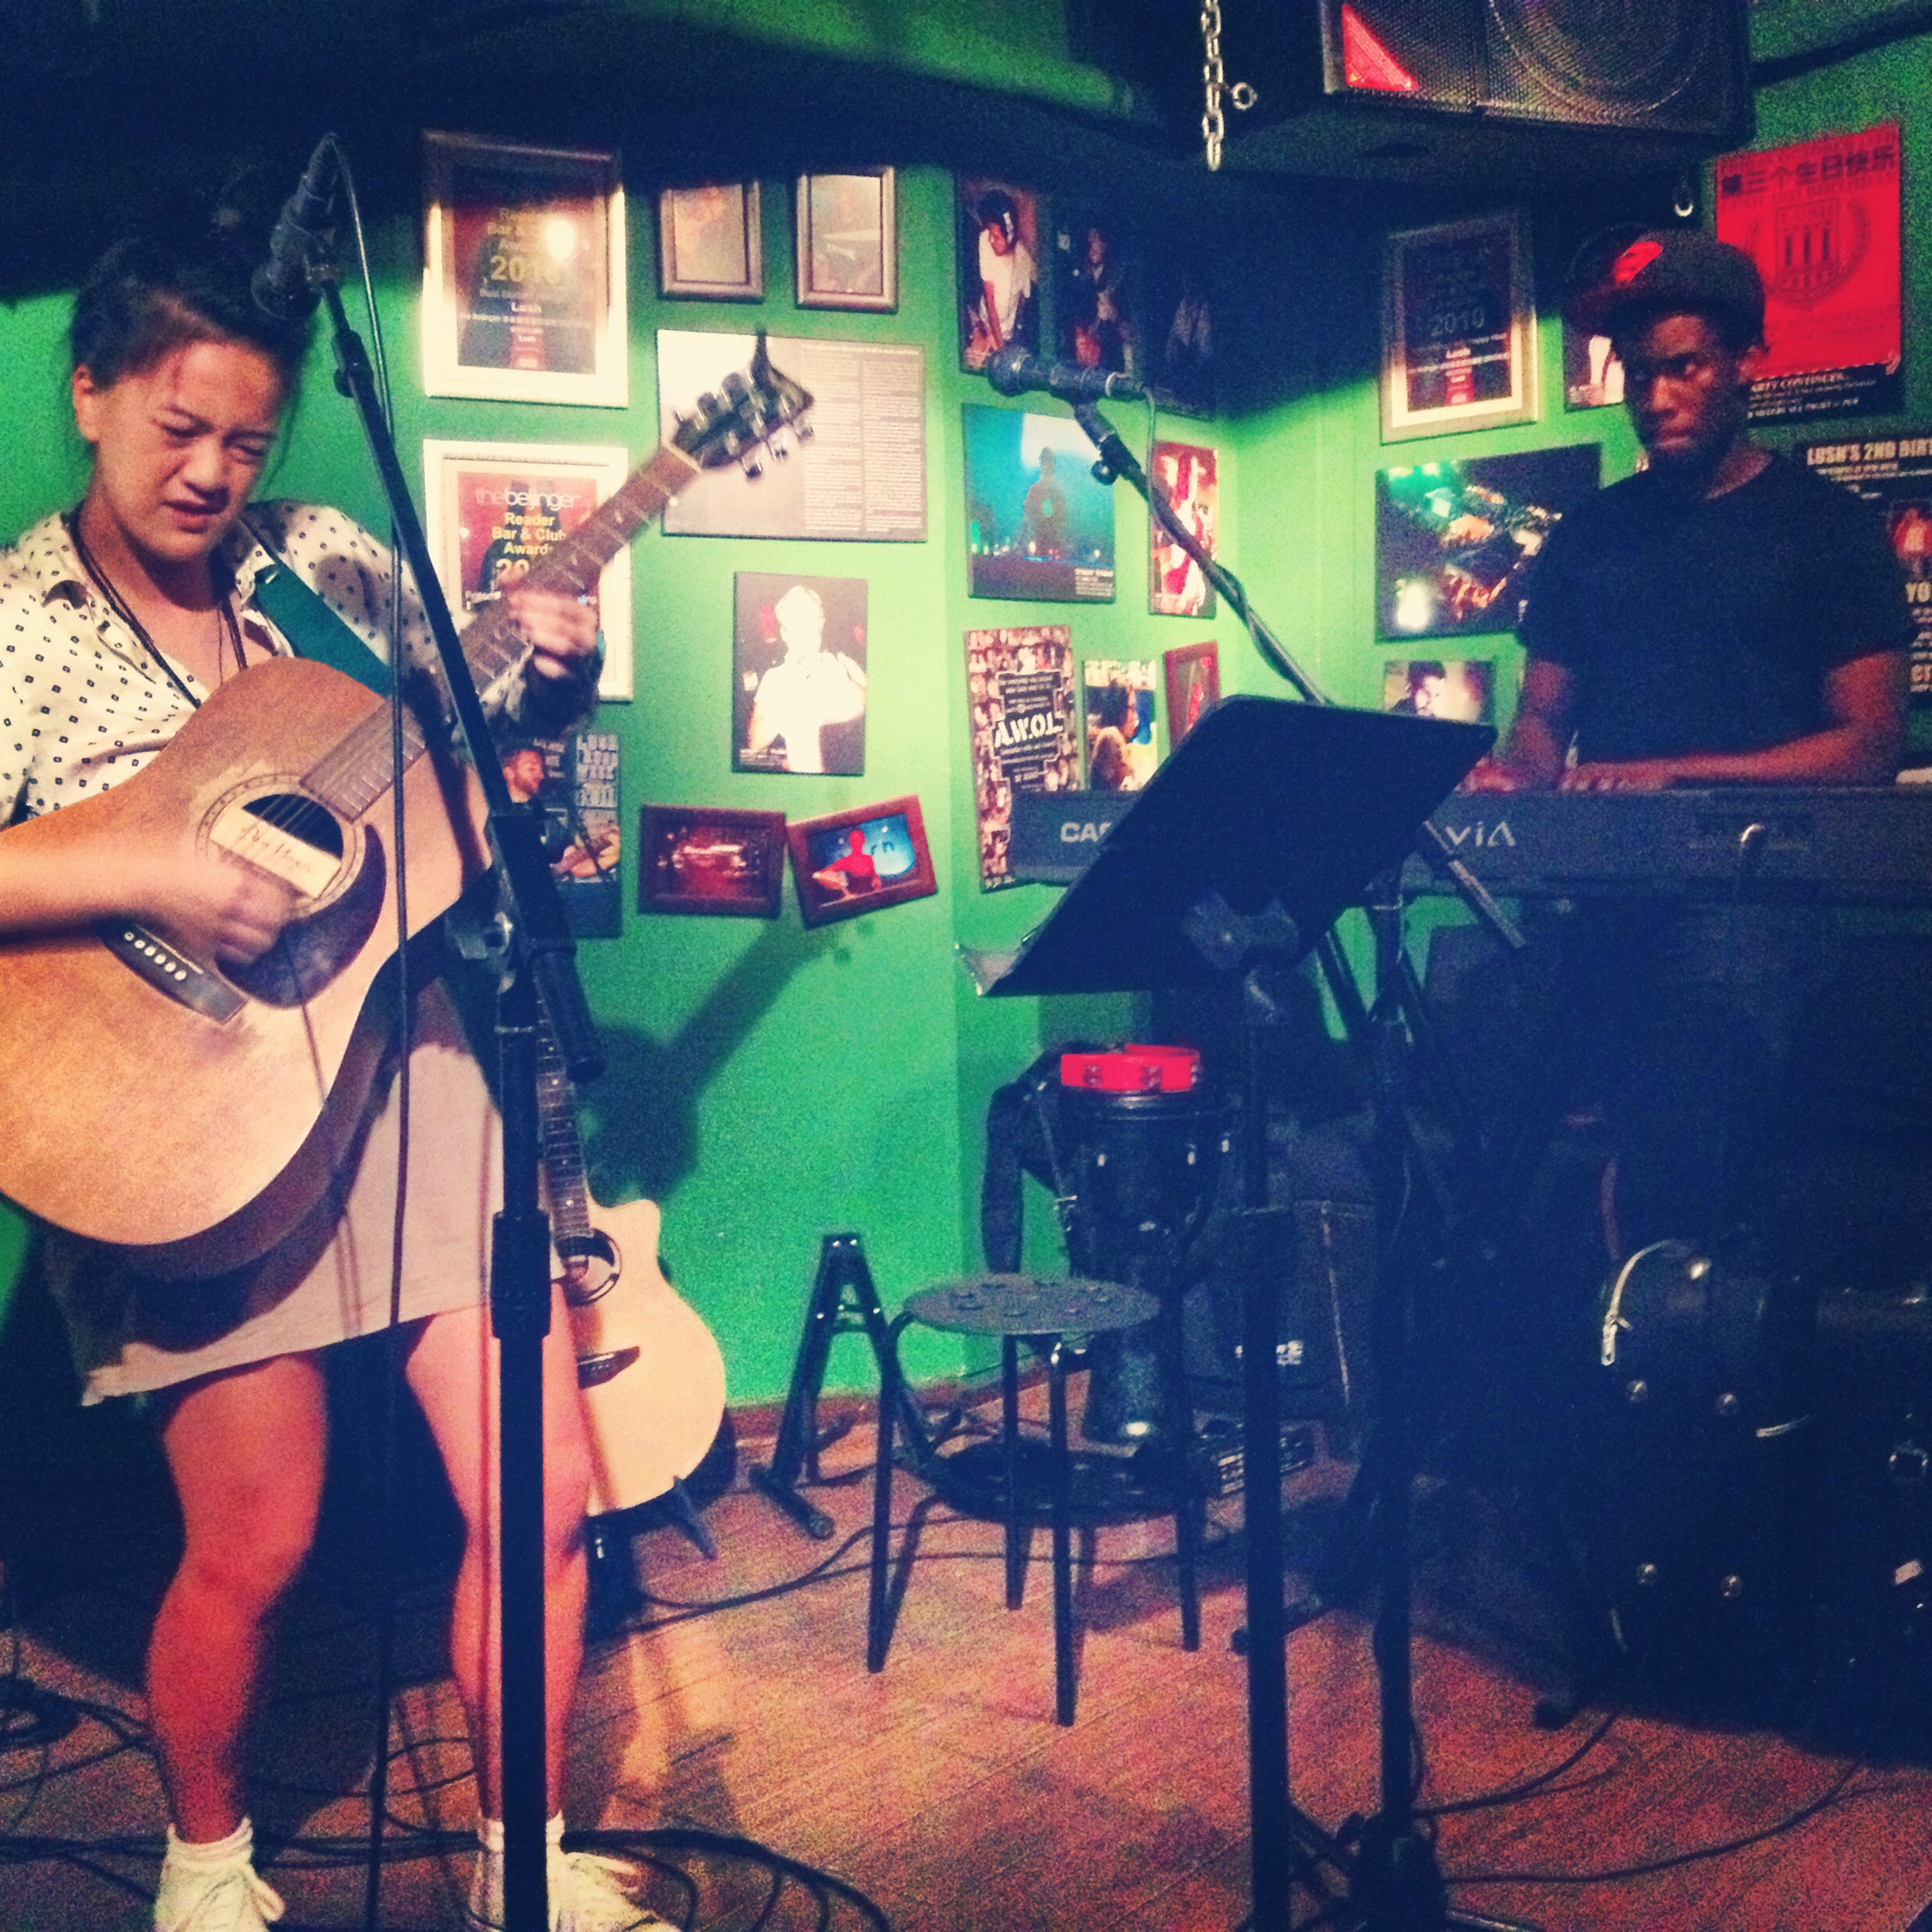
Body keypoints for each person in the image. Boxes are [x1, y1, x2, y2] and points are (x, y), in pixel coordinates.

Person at [0, 203, 660, 1930]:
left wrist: (552, 681)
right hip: (183, 1108)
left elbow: (471, 766)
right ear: (89, 393)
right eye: (179, 428)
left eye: (248, 438)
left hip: (405, 1057)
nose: (213, 474)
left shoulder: (325, 564)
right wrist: (148, 865)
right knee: (260, 1539)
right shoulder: (18, 623)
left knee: (544, 1497)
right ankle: (206, 1869)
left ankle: (525, 1861)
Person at [1462, 230, 1911, 1259]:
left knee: (1687, 1126)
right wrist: (1514, 779)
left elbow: (1869, 748)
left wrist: (1673, 777)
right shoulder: (1588, 536)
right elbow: (1543, 723)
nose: (1655, 397)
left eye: (1685, 367)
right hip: (1601, 897)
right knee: (1497, 1116)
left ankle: (1673, 1319)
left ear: (1749, 362)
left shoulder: (1829, 530)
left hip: (1755, 902)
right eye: (1638, 374)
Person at [741, 582, 865, 774]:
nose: (805, 638)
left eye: (811, 627)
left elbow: (868, 706)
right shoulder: (776, 678)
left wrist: (849, 682)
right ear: (785, 634)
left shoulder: (837, 665)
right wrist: (788, 699)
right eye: (797, 629)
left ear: (820, 627)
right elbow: (754, 743)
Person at [965, 189, 1035, 371]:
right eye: (990, 233)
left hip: (1008, 335)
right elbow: (990, 300)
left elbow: (1024, 301)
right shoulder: (984, 241)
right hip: (987, 327)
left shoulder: (1023, 257)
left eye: (996, 237)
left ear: (1010, 236)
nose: (991, 240)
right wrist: (998, 347)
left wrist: (1006, 345)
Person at [1020, 446, 1069, 560]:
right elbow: (1026, 515)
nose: (1047, 468)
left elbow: (1063, 519)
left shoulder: (1057, 492)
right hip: (1039, 535)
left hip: (1053, 537)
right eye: (1045, 463)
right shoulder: (1035, 490)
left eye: (1049, 464)